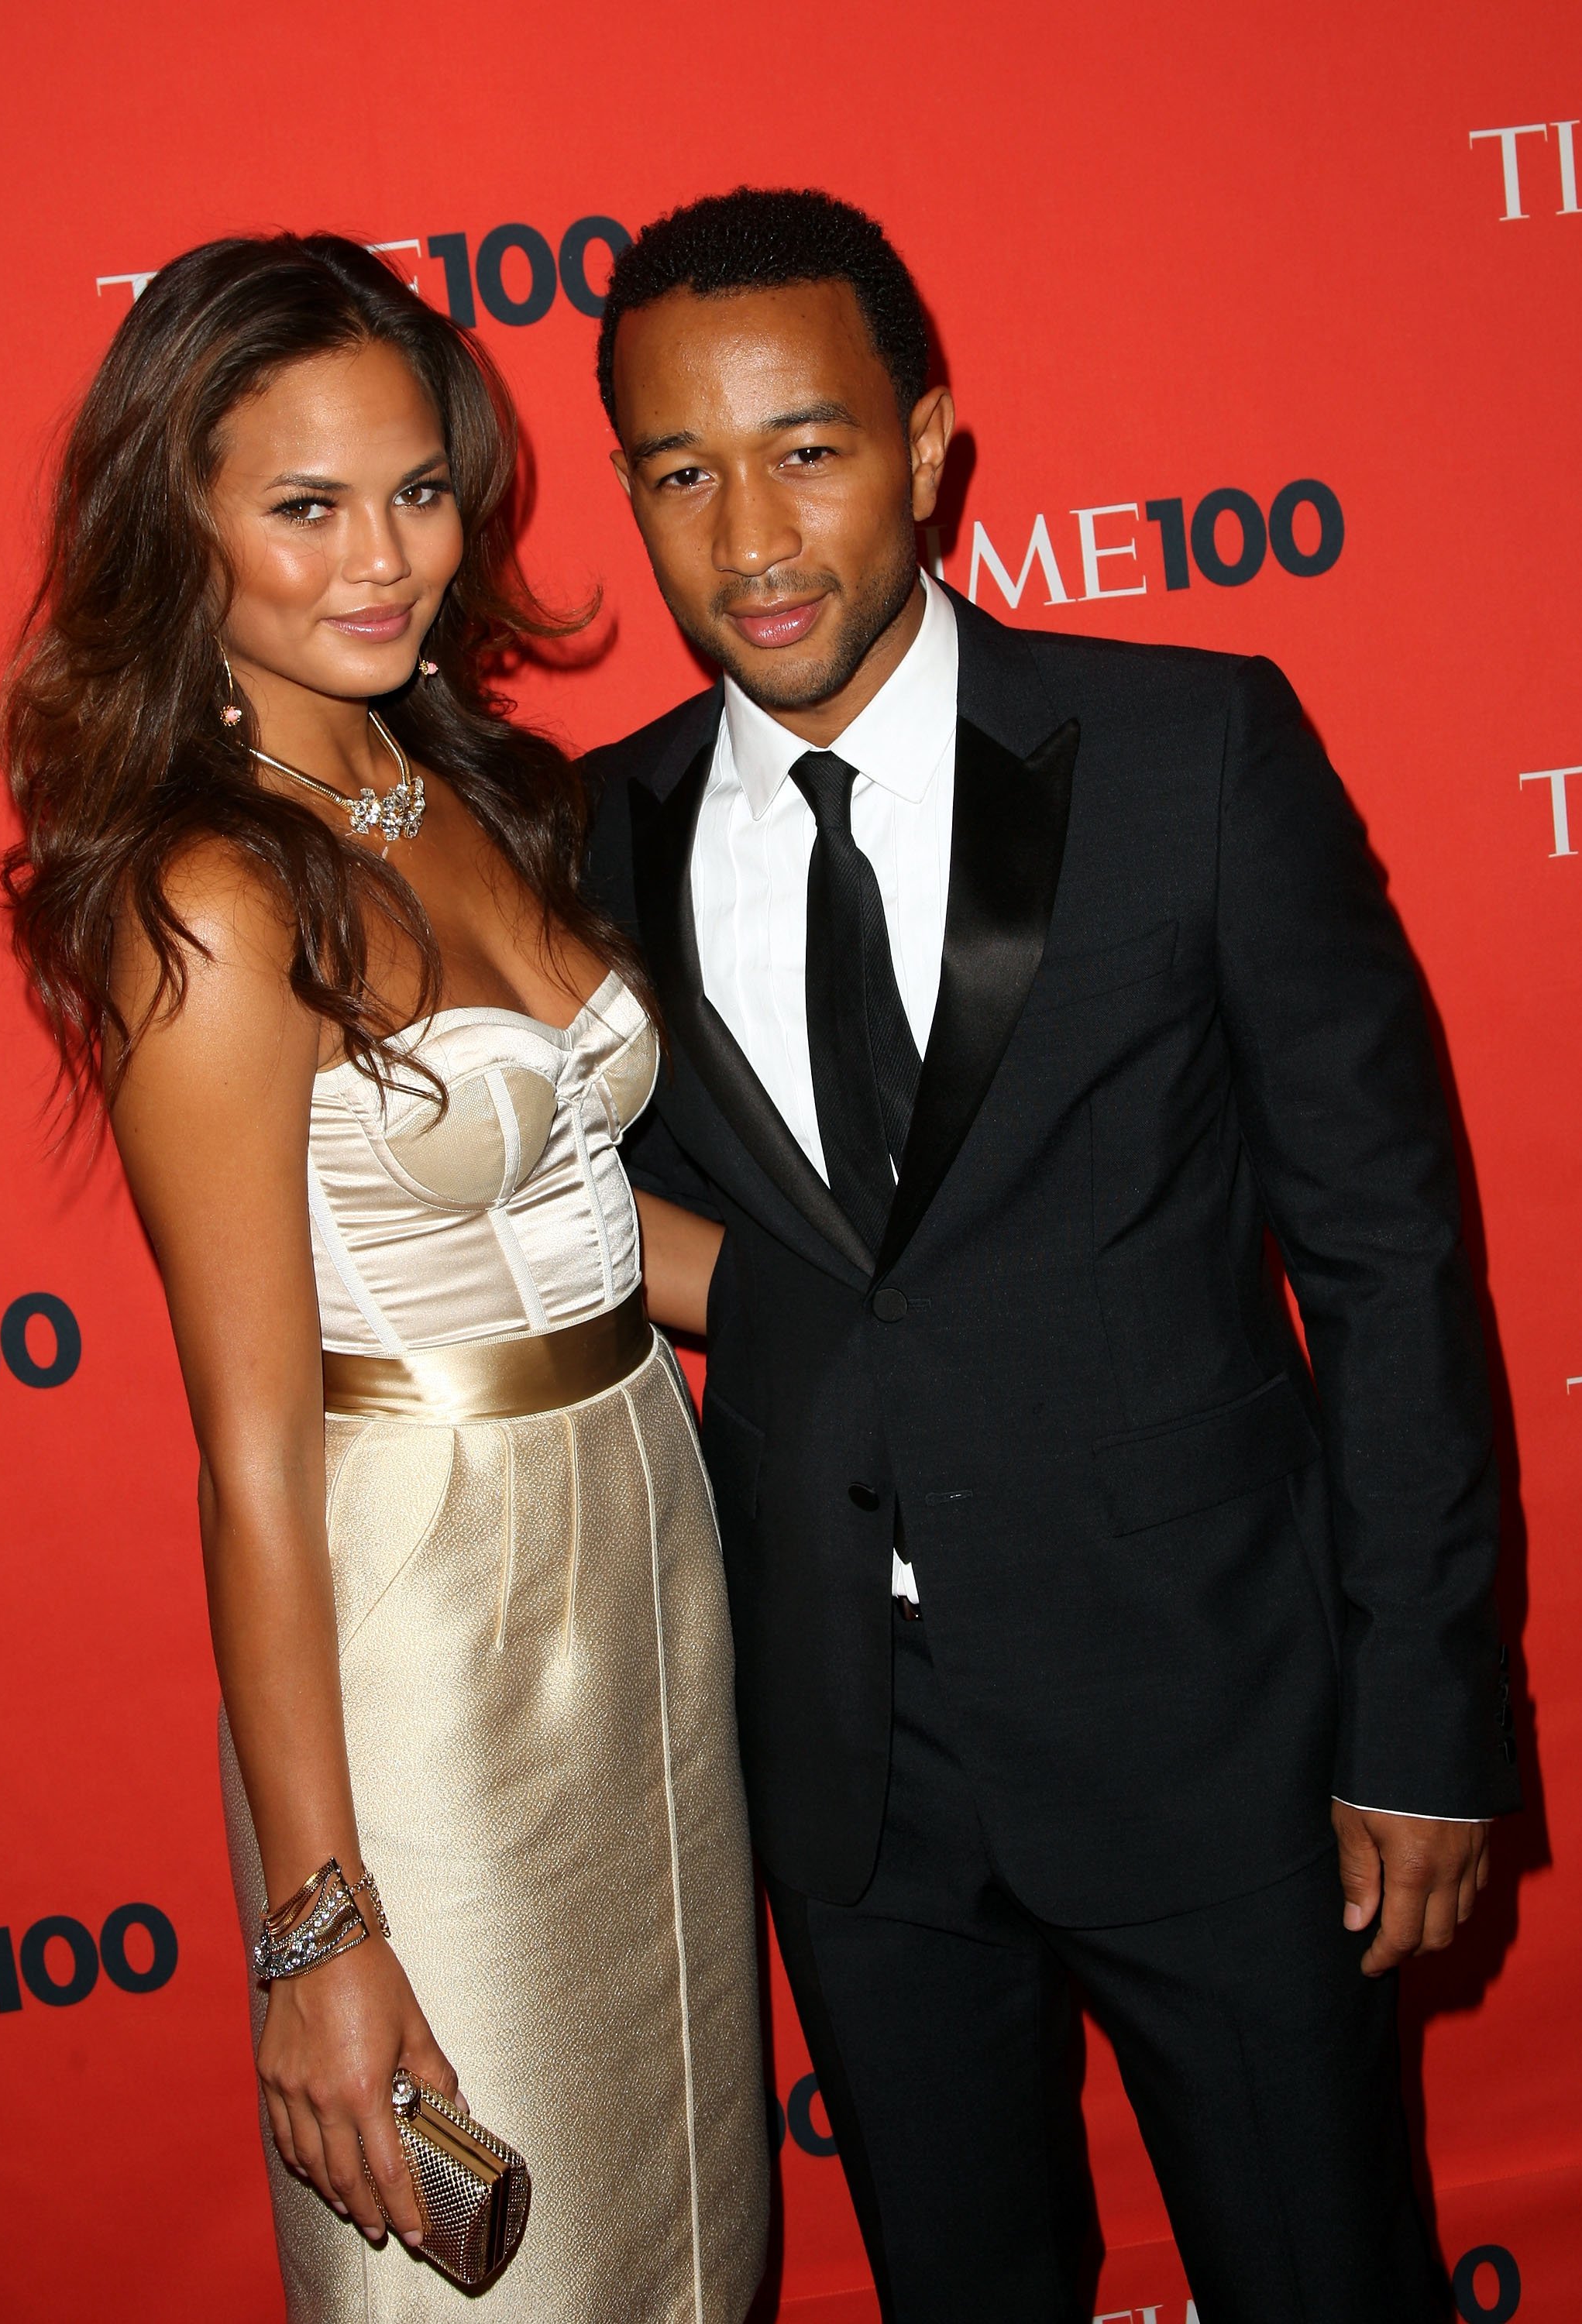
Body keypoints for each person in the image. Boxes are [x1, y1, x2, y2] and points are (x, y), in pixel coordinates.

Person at [583, 187, 1520, 2324]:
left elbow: (1383, 1255)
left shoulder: (1192, 751)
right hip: (846, 1764)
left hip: (1223, 1720)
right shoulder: (586, 834)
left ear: (926, 447)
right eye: (679, 470)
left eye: (807, 449)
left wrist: (1421, 1720)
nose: (749, 539)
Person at [0, 232, 767, 2323]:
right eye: (305, 505)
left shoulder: (458, 786)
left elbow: (584, 1229)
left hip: (646, 1566)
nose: (385, 560)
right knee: (523, 2263)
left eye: (418, 490)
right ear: (182, 522)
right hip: (436, 1616)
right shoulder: (211, 894)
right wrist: (316, 1928)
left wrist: (906, 1324)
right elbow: (256, 1460)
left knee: (692, 2217)